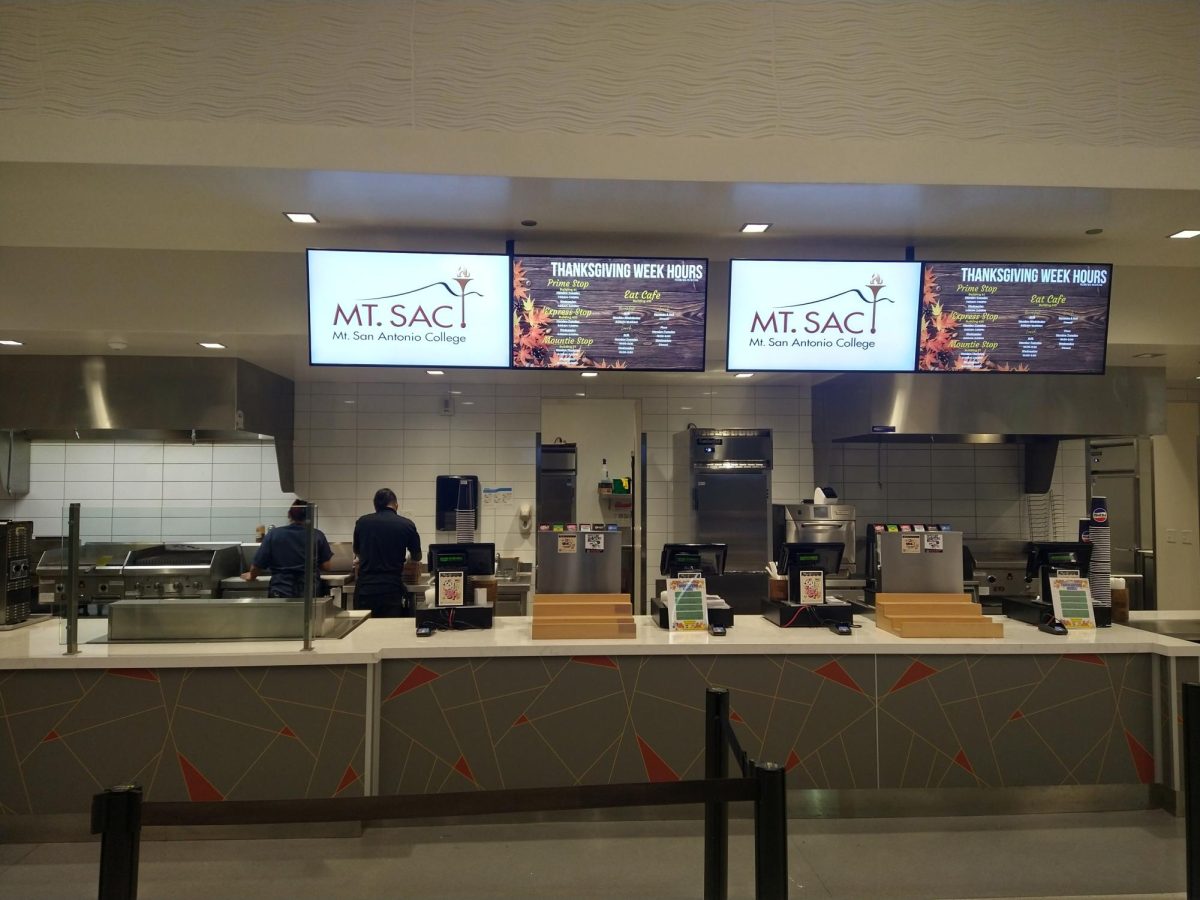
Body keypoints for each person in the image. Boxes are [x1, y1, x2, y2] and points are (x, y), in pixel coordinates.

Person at [353, 487, 422, 618]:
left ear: (375, 506)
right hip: (391, 589)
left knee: (363, 632)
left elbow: (357, 551)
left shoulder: (362, 523)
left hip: (365, 588)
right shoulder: (406, 524)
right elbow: (417, 556)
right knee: (391, 631)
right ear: (396, 505)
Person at [242, 499, 333, 597]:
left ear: (289, 515)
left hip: (281, 589)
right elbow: (326, 566)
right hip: (310, 592)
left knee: (281, 612)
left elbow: (257, 565)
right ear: (309, 517)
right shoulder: (317, 535)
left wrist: (251, 576)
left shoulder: (274, 534)